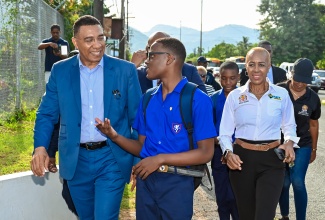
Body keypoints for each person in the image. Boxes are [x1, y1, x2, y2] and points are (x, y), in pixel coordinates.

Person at [31, 15, 142, 219]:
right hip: (76, 159)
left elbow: (137, 119)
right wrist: (40, 148)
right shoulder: (61, 70)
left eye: (100, 38)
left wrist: (137, 159)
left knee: (104, 216)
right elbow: (47, 113)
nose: (97, 45)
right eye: (89, 40)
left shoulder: (125, 70)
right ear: (75, 42)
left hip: (112, 157)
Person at [95, 37, 216, 219]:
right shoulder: (148, 98)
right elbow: (142, 147)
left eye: (152, 55)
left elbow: (206, 153)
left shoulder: (197, 99)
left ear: (169, 59)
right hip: (147, 182)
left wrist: (160, 159)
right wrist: (114, 136)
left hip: (179, 183)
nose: (146, 60)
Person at [218, 47, 299, 220]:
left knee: (264, 215)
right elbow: (224, 133)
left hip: (272, 161)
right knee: (246, 215)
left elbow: (289, 126)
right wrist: (228, 152)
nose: (256, 70)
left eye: (261, 65)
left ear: (269, 66)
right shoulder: (234, 96)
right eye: (251, 64)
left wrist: (290, 143)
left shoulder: (282, 94)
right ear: (245, 67)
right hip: (241, 161)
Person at [276, 58, 321, 220]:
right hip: (280, 145)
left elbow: (314, 125)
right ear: (291, 74)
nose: (300, 84)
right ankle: (285, 215)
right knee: (284, 183)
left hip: (303, 144)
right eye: (297, 79)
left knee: (297, 181)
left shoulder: (313, 98)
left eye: (305, 81)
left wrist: (314, 149)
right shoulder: (278, 91)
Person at [38, 24, 70, 173]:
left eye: (57, 32)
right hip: (49, 73)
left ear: (60, 32)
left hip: (60, 74)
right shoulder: (48, 41)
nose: (56, 34)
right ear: (51, 32)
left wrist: (58, 54)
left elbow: (65, 56)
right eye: (54, 32)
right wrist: (50, 44)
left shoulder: (63, 43)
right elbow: (39, 46)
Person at [131, 31, 207, 94]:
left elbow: (203, 103)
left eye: (156, 49)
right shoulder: (137, 73)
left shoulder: (189, 71)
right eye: (150, 48)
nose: (150, 53)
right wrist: (131, 67)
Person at [210, 61, 239, 220]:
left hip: (240, 153)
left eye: (232, 78)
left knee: (236, 195)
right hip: (218, 153)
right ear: (219, 77)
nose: (228, 83)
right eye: (224, 78)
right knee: (222, 195)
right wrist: (220, 144)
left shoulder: (244, 98)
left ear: (238, 77)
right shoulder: (213, 99)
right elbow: (209, 127)